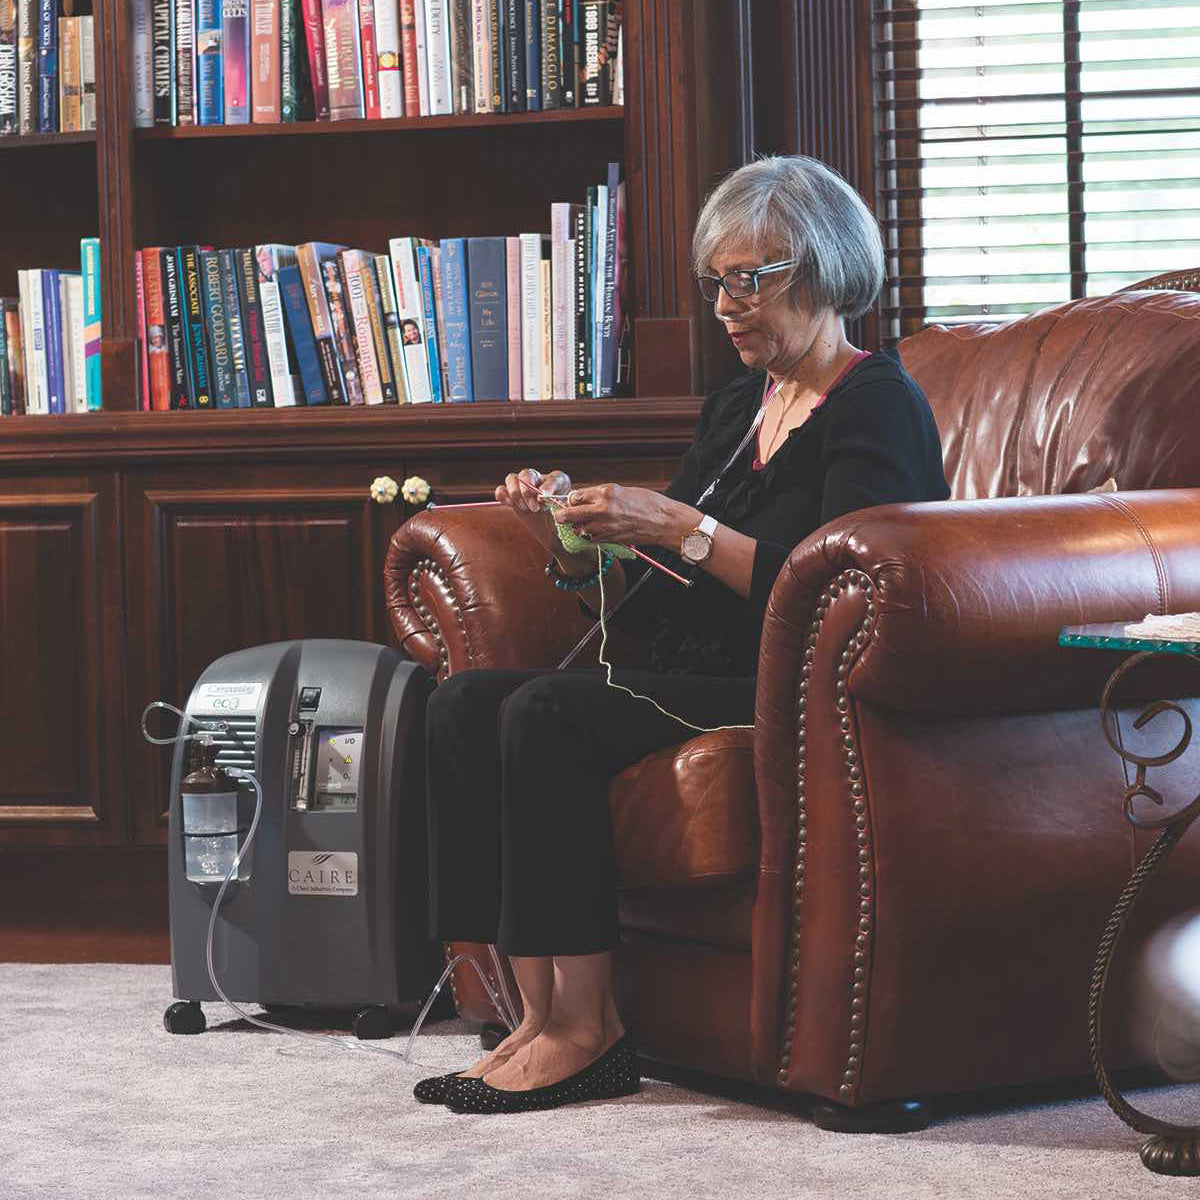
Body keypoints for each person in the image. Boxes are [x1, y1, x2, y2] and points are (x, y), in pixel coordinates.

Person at [415, 155, 951, 1115]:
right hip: (687, 669)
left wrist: (680, 526)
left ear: (824, 270)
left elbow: (851, 590)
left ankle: (589, 1032)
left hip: (783, 688)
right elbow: (659, 601)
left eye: (752, 280)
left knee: (544, 716)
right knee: (461, 703)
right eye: (718, 282)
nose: (728, 304)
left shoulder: (877, 403)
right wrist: (572, 551)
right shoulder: (734, 408)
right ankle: (530, 1015)